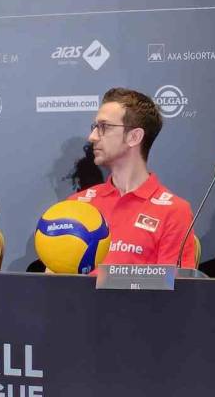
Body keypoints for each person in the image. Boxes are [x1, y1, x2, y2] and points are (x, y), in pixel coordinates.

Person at [67, 88, 197, 267]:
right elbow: (56, 278)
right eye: (95, 127)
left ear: (134, 137)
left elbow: (173, 283)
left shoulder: (174, 212)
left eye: (104, 127)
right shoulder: (76, 205)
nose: (92, 137)